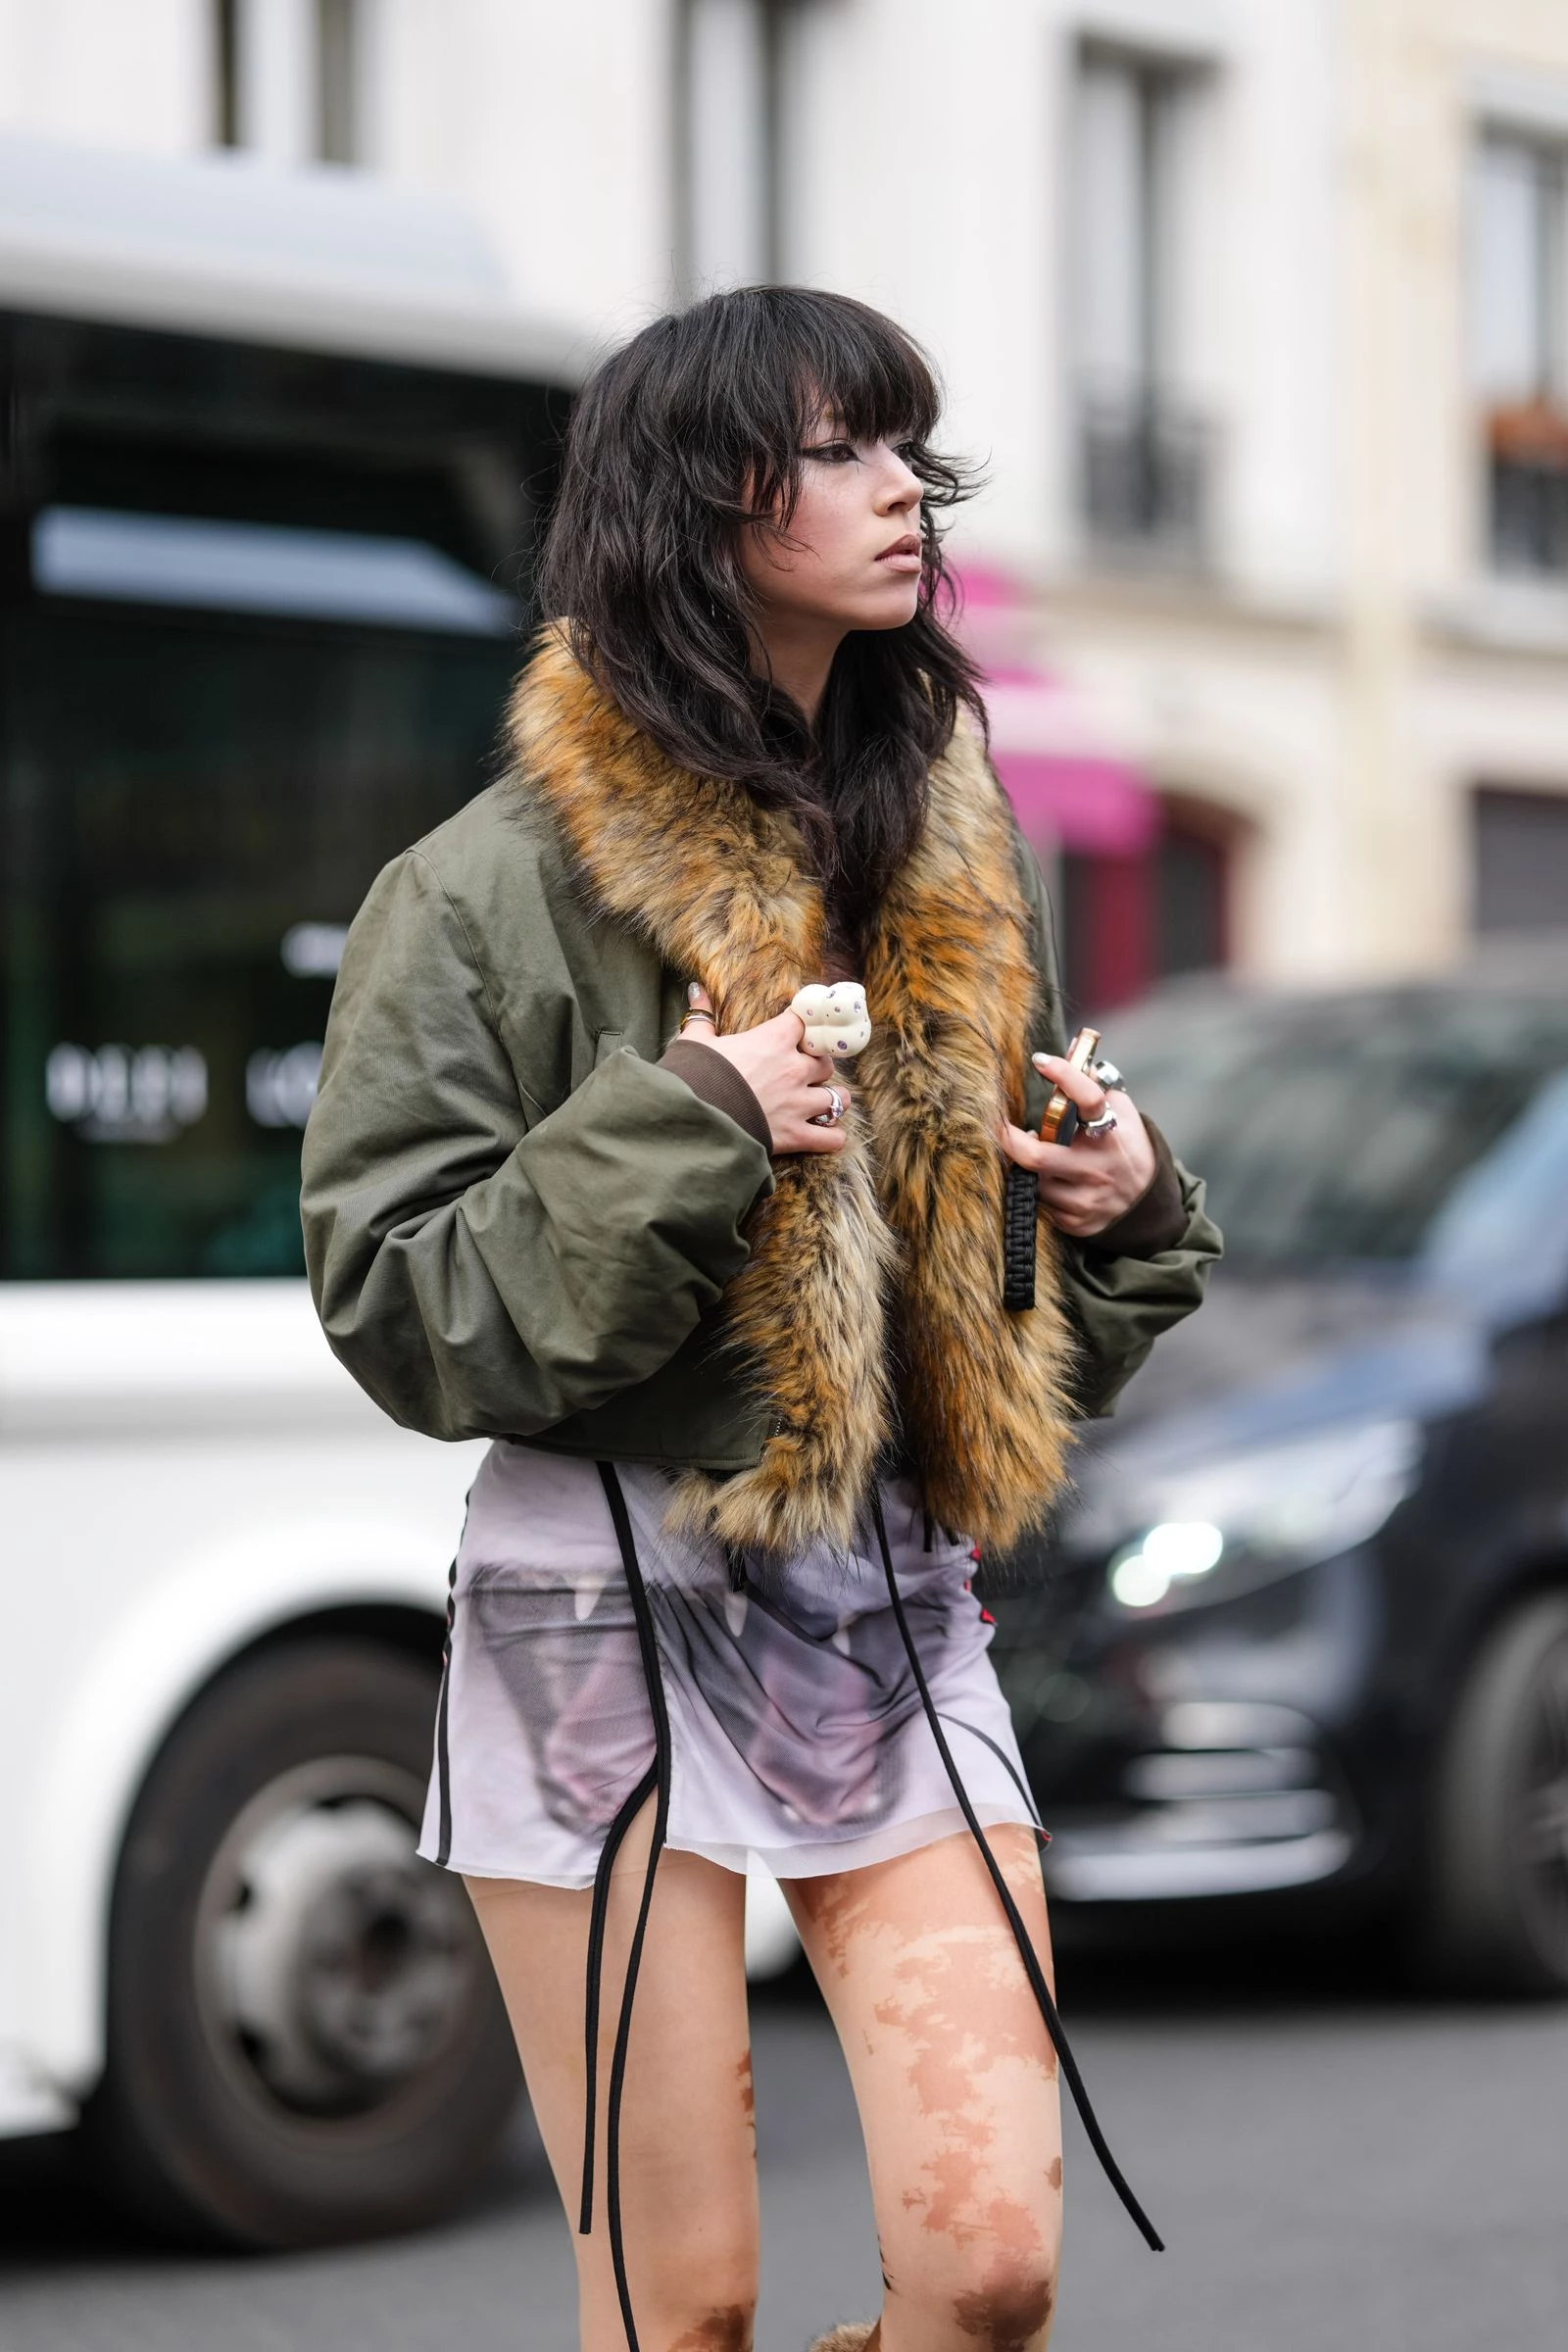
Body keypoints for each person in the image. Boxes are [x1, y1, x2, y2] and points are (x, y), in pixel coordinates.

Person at [302, 287, 1220, 2352]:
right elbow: (405, 1311)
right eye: (838, 449)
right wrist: (692, 1116)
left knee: (989, 2272)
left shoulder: (945, 862)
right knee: (681, 2308)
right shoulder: (477, 891)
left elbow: (978, 1337)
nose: (903, 490)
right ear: (697, 503)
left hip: (883, 1608)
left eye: (907, 447)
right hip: (593, 1617)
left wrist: (1126, 1208)